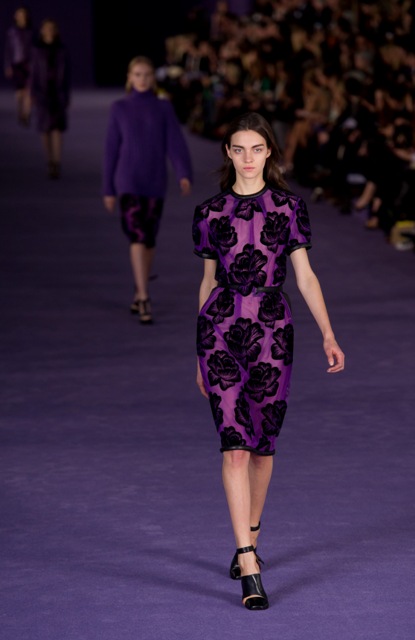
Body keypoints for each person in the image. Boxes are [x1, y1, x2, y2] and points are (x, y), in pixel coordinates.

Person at [193, 112, 344, 610]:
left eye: (257, 149)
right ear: (228, 153)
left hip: (273, 332)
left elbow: (306, 276)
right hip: (219, 331)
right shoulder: (210, 212)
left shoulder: (289, 207)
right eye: (239, 149)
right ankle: (247, 561)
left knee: (262, 446)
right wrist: (198, 356)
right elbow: (207, 282)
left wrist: (328, 333)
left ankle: (252, 535)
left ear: (270, 152)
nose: (248, 158)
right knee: (234, 447)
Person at [103, 56, 193, 324]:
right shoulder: (119, 108)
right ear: (129, 78)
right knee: (138, 236)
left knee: (150, 238)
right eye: (137, 74)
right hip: (127, 181)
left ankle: (139, 288)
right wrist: (108, 188)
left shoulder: (163, 107)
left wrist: (183, 173)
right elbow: (111, 149)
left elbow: (175, 143)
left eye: (147, 74)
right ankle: (143, 295)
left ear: (154, 78)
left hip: (154, 180)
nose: (142, 79)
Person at [30, 18, 70, 179]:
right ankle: (49, 161)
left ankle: (57, 162)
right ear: (42, 31)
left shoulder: (62, 50)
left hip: (58, 93)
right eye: (46, 28)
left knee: (57, 129)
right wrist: (32, 94)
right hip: (42, 93)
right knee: (45, 129)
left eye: (52, 28)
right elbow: (33, 73)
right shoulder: (37, 50)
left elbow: (67, 75)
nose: (49, 31)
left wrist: (67, 95)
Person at [3, 6, 34, 126]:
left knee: (28, 91)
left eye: (24, 15)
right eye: (19, 15)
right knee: (20, 92)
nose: (22, 17)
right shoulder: (12, 32)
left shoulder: (31, 31)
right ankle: (20, 112)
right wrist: (7, 65)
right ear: (15, 17)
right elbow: (8, 50)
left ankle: (26, 114)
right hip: (17, 64)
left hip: (29, 64)